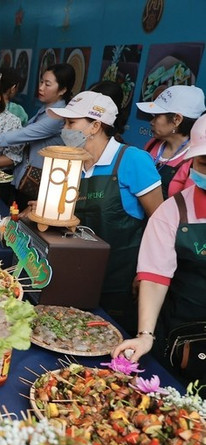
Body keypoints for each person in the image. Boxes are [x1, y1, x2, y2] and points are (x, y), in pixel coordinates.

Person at [49, 91, 164, 334]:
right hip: (76, 273)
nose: (64, 129)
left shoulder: (132, 160)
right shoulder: (71, 162)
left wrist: (146, 273)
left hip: (118, 279)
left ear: (95, 126)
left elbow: (161, 223)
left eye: (71, 123)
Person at [113, 114, 206, 381]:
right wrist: (145, 335)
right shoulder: (174, 211)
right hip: (184, 333)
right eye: (204, 162)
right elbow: (155, 276)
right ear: (190, 164)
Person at [0, 63, 75, 207]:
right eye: (41, 82)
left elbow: (24, 134)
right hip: (24, 179)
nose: (41, 88)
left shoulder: (58, 117)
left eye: (47, 84)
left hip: (37, 182)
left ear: (63, 90)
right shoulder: (45, 109)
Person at [136, 85, 206, 198]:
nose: (151, 122)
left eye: (157, 116)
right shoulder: (152, 144)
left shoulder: (195, 160)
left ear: (177, 120)